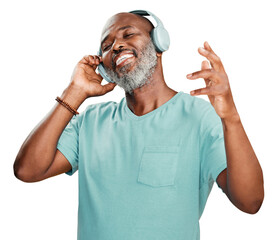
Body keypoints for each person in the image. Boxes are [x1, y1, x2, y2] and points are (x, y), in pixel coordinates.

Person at [14, 10, 264, 240]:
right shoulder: (90, 122)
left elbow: (250, 202)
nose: (116, 45)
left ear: (158, 44)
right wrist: (74, 93)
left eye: (128, 34)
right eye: (106, 45)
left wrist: (231, 117)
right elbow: (27, 170)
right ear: (103, 66)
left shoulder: (199, 116)